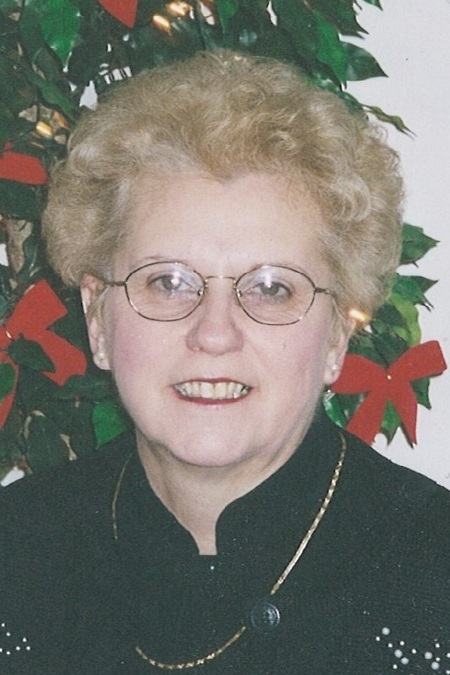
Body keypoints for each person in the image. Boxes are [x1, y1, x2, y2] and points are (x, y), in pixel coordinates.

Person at [0, 50, 448, 674]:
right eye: (167, 282)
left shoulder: (433, 574)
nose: (214, 335)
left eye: (271, 288)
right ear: (98, 320)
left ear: (335, 338)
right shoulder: (18, 551)